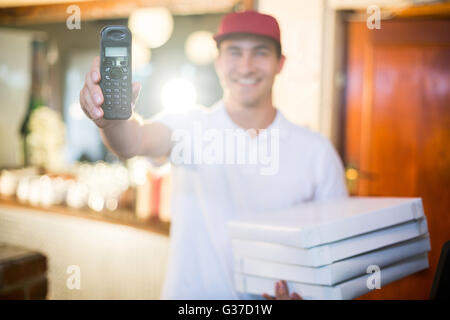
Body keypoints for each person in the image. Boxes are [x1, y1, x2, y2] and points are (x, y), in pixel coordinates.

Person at [79, 10, 348, 300]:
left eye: (260, 53)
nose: (245, 67)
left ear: (280, 63)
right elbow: (133, 141)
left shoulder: (316, 151)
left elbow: (337, 250)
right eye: (234, 52)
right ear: (218, 61)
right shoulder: (190, 126)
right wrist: (111, 119)